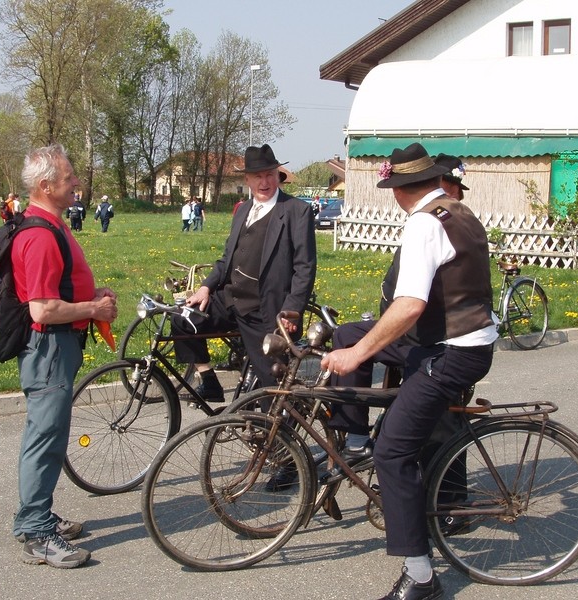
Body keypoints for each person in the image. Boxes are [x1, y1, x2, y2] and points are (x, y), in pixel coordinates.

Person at [321, 143, 498, 600]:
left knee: (394, 453)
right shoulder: (457, 210)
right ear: (434, 179)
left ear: (398, 190)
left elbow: (409, 306)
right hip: (465, 341)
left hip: (452, 350)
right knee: (407, 425)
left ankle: (421, 577)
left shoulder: (422, 224)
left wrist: (358, 353)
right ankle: (366, 440)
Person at [11, 144, 117, 568]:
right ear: (45, 186)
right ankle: (37, 532)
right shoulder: (38, 235)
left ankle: (32, 517)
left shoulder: (51, 225)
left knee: (45, 434)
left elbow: (58, 292)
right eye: (69, 177)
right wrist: (93, 309)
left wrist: (91, 295)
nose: (76, 183)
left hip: (57, 345)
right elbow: (42, 308)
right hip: (49, 347)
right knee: (46, 437)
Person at [172, 143, 316, 404]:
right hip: (230, 299)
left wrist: (292, 310)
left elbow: (305, 267)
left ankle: (278, 440)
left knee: (270, 386)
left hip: (264, 309)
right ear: (247, 180)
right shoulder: (243, 211)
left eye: (269, 174)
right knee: (182, 320)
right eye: (258, 176)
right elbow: (228, 258)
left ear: (278, 175)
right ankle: (209, 381)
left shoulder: (297, 211)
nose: (265, 181)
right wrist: (206, 287)